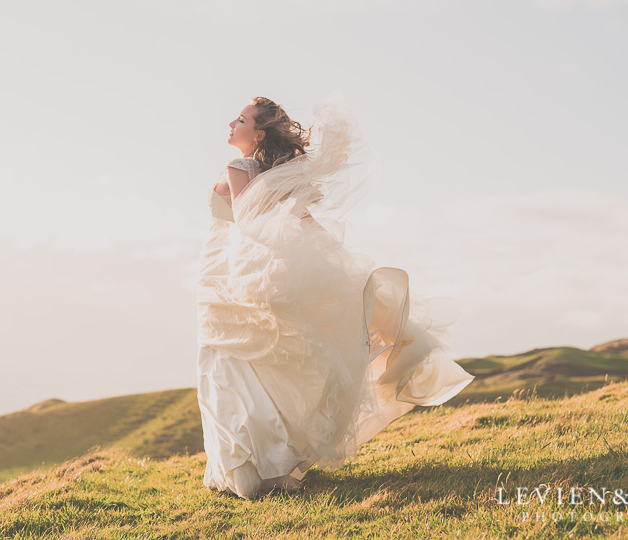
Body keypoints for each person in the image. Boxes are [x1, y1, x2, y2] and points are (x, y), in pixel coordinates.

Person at [197, 95, 474, 499]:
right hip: (238, 267)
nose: (230, 123)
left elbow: (245, 220)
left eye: (240, 119)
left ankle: (246, 468)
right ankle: (264, 463)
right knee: (245, 364)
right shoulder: (266, 172)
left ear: (257, 133)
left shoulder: (240, 167)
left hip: (226, 269)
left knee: (223, 363)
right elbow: (300, 219)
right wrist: (333, 255)